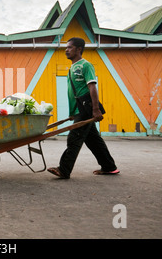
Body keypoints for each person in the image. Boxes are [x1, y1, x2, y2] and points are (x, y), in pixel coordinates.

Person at [47, 37, 119, 179]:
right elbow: (75, 92)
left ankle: (64, 170)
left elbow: (92, 87)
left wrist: (96, 109)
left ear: (79, 49)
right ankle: (109, 167)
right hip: (80, 109)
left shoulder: (86, 65)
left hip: (87, 108)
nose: (66, 50)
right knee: (93, 140)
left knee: (74, 138)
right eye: (66, 47)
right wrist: (73, 112)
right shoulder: (72, 68)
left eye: (70, 47)